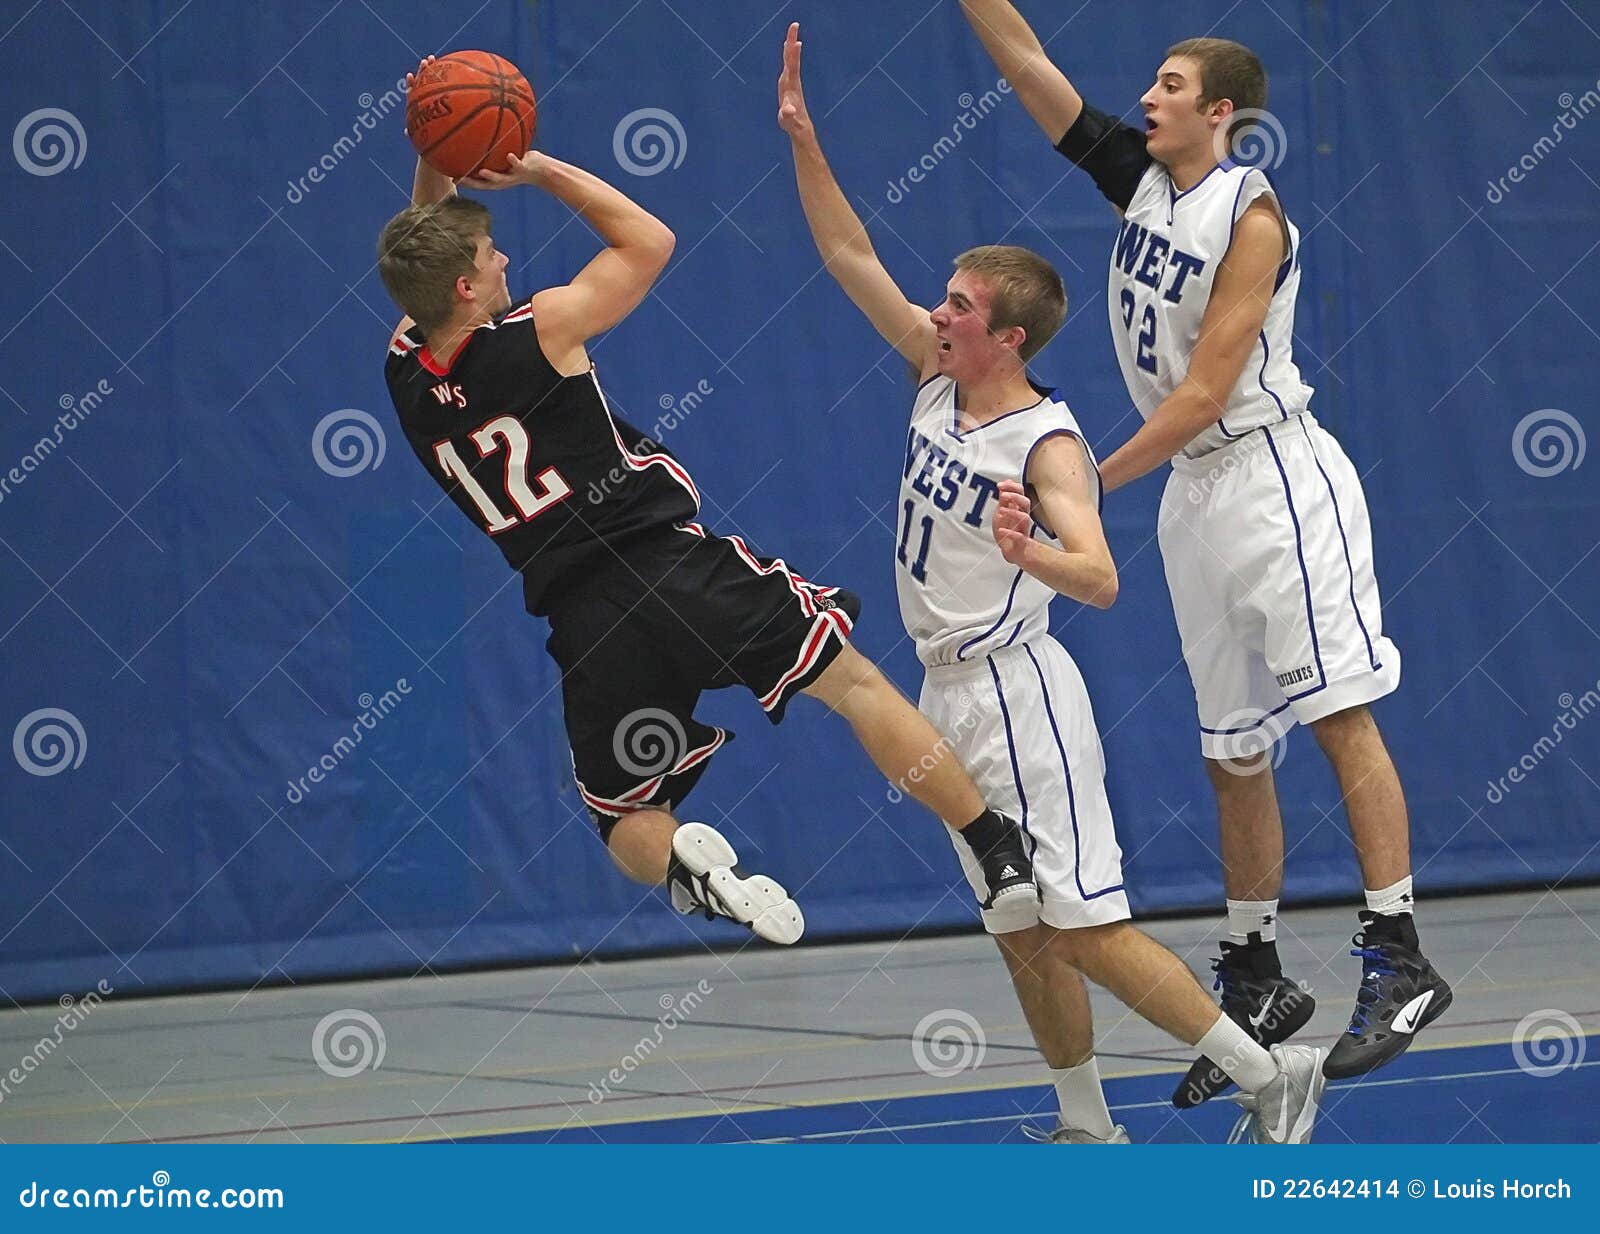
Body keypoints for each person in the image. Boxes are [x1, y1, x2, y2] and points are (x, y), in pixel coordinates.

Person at [777, 23, 1324, 1143]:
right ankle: (1087, 1123)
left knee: (1080, 925)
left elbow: (1105, 581)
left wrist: (1034, 556)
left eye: (959, 307)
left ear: (1008, 336)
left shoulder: (1048, 444)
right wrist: (801, 137)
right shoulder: (936, 383)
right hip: (944, 696)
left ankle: (1271, 1075)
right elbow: (847, 259)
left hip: (1021, 696)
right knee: (1018, 929)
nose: (938, 312)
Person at [375, 57, 1039, 947]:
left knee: (623, 817)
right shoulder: (543, 328)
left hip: (581, 619)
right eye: (489, 257)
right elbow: (648, 240)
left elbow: (428, 244)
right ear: (466, 287)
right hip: (668, 565)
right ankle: (996, 853)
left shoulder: (404, 372)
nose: (503, 260)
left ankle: (693, 867)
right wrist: (536, 167)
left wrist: (434, 145)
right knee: (848, 681)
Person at [957, 1, 1452, 1104]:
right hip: (1195, 495)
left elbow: (1200, 391)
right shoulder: (1138, 180)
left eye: (1170, 85)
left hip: (1273, 475)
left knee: (1336, 713)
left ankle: (1399, 951)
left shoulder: (1250, 215)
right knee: (1231, 747)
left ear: (1219, 112)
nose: (1147, 96)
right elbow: (1027, 61)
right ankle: (1257, 967)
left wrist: (1082, 480)